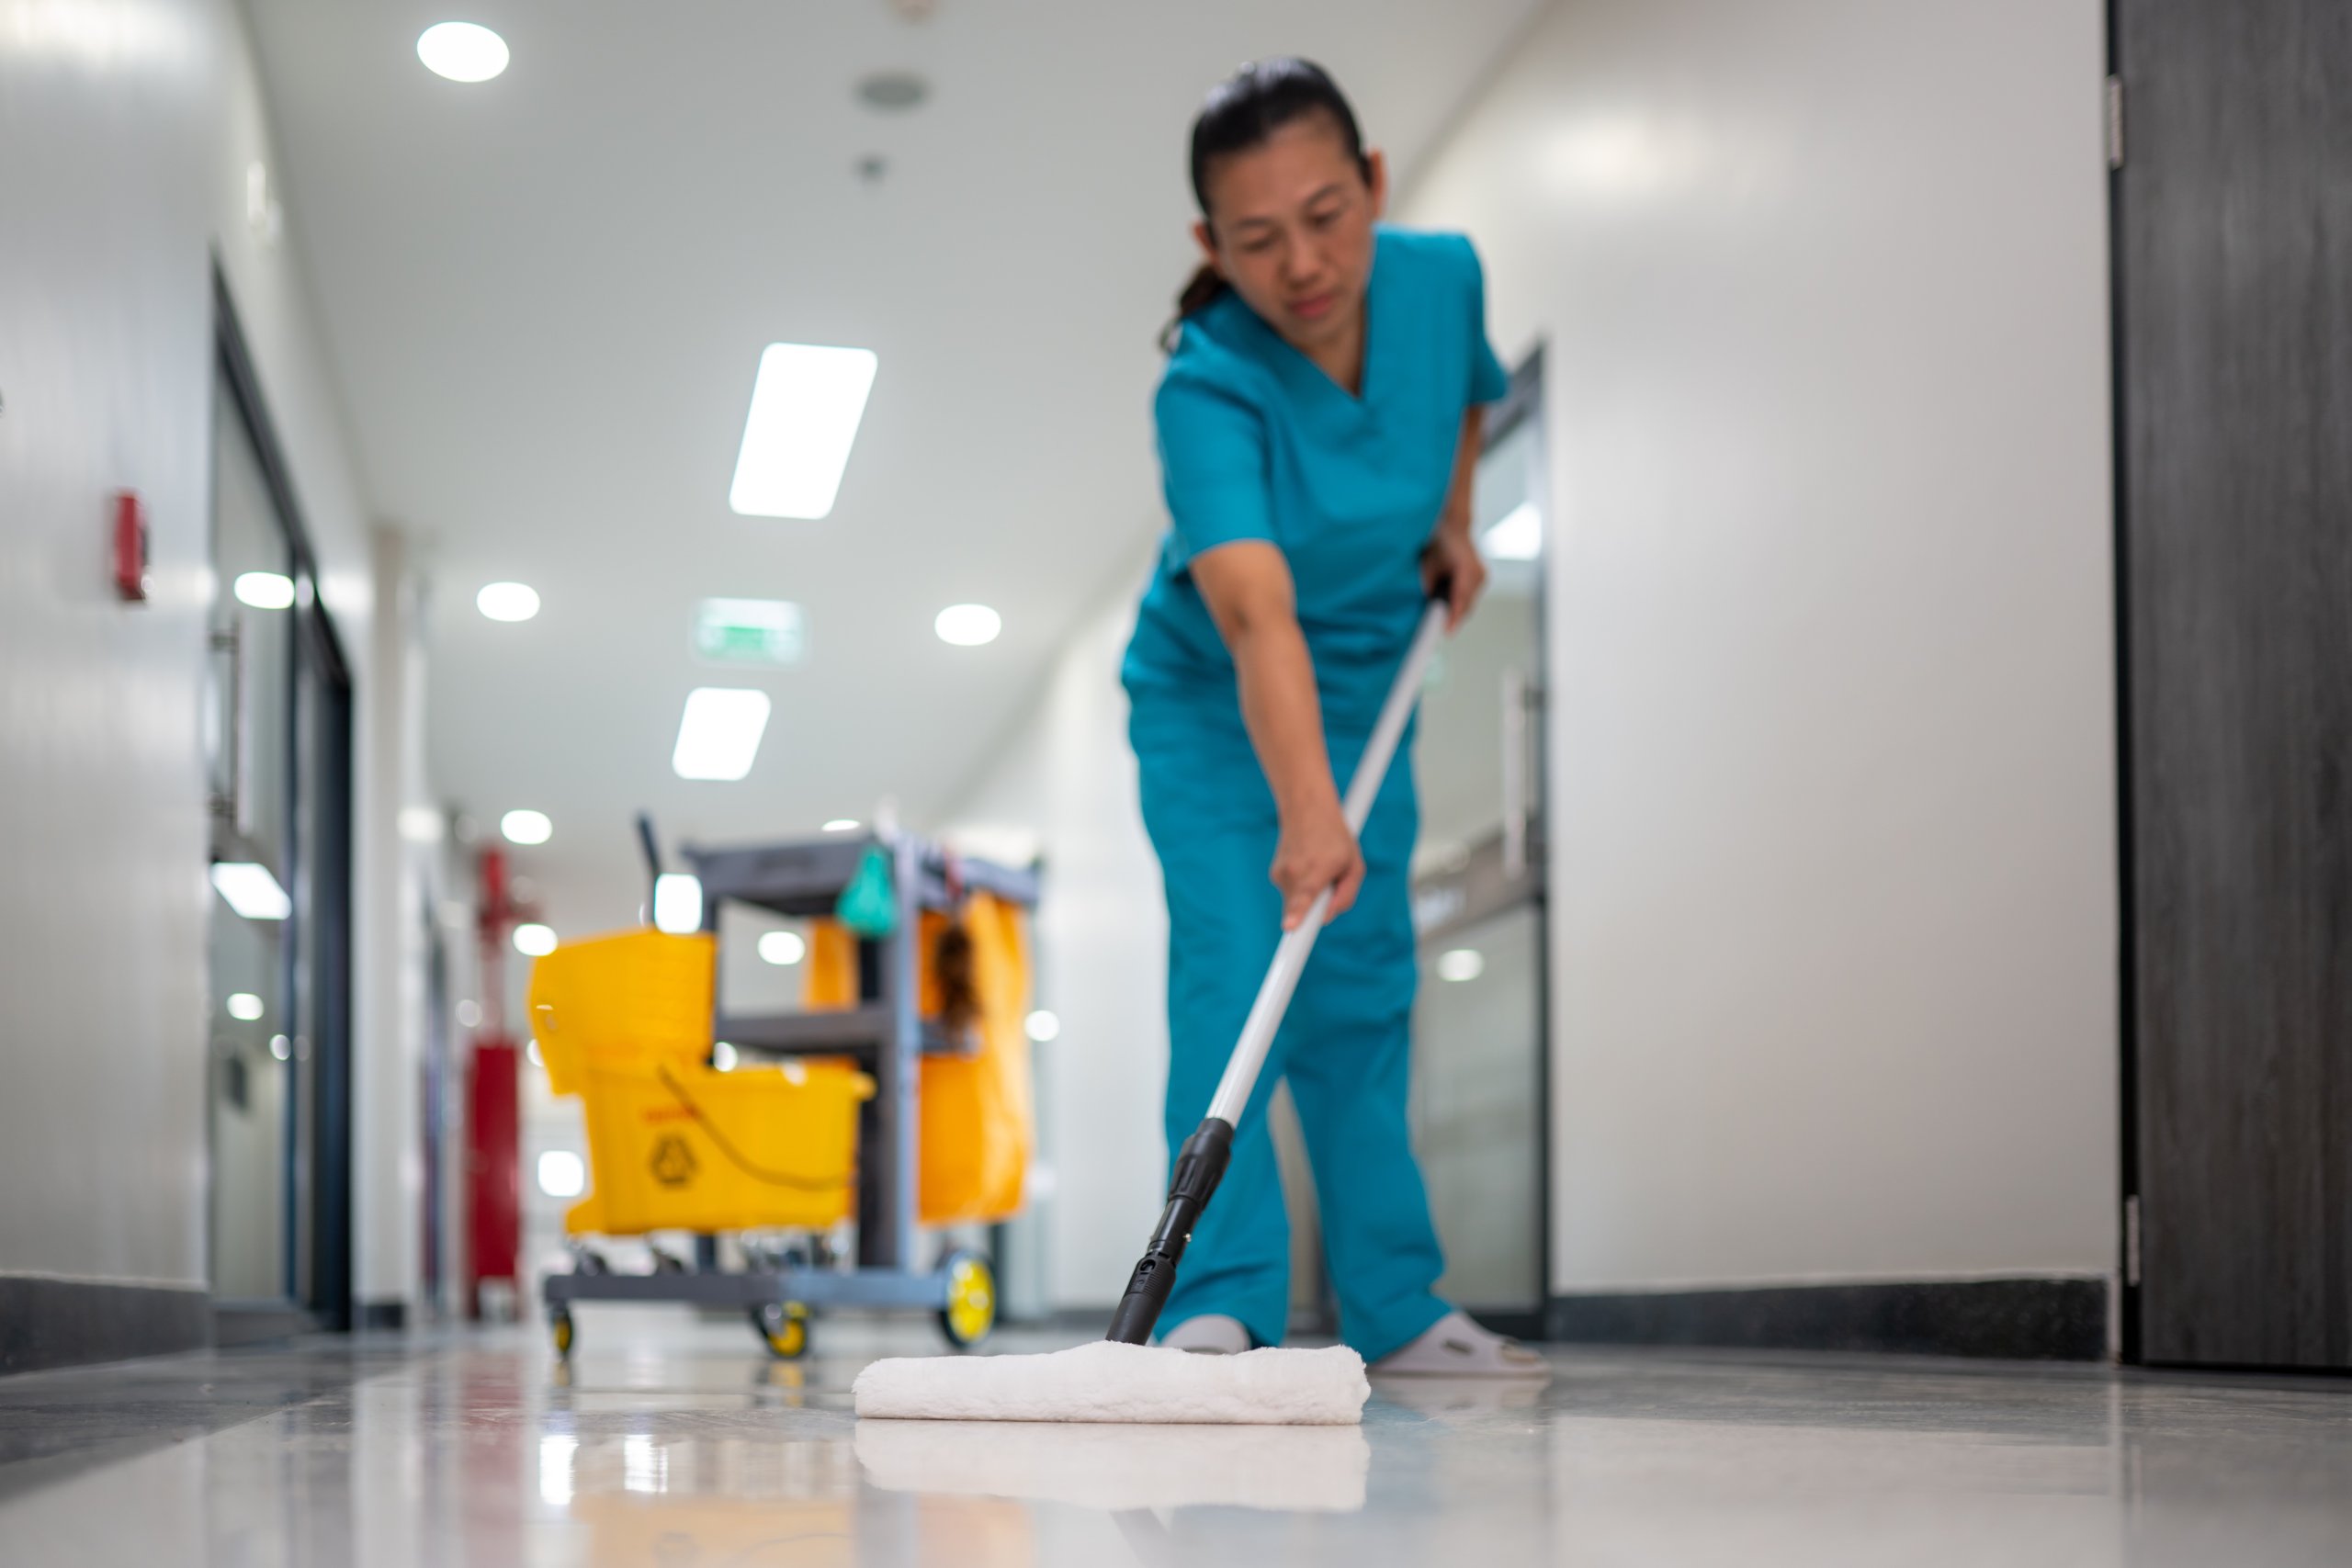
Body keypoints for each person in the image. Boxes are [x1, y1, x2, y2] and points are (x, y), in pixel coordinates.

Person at [1121, 58, 1546, 1377]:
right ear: (1211, 245)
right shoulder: (1206, 385)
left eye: (1327, 215)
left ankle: (1398, 1307)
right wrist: (1306, 815)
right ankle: (1218, 1300)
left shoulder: (1441, 277)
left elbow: (1473, 392)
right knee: (1238, 962)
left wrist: (1457, 523)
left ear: (1374, 185)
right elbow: (1253, 615)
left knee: (1364, 985)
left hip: (1369, 685)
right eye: (1258, 239)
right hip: (1212, 698)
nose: (1303, 263)